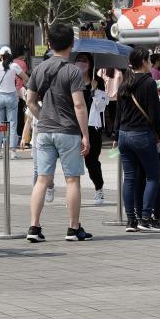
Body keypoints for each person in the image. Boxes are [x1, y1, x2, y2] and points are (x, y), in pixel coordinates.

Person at [25, 23, 92, 243]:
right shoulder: (73, 71)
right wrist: (85, 135)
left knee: (42, 180)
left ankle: (34, 227)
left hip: (44, 131)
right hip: (68, 131)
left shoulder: (39, 68)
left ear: (49, 44)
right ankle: (73, 229)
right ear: (72, 44)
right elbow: (79, 105)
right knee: (72, 180)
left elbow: (30, 101)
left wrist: (43, 116)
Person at [118, 47, 160, 232]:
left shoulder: (125, 82)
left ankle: (131, 220)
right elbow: (155, 113)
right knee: (153, 176)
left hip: (124, 134)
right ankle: (146, 218)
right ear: (145, 62)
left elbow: (118, 112)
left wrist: (116, 134)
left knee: (129, 178)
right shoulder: (148, 83)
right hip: (142, 135)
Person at [74, 52, 108, 205]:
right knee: (73, 162)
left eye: (84, 61)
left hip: (92, 127)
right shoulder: (72, 80)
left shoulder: (98, 81)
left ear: (90, 64)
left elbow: (102, 106)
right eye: (78, 60)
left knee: (91, 161)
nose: (81, 63)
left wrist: (95, 90)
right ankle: (73, 194)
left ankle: (98, 188)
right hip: (74, 126)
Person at [0, 46, 28, 159]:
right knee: (13, 124)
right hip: (12, 96)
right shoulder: (14, 66)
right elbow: (27, 78)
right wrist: (19, 84)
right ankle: (13, 152)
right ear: (10, 55)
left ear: (0, 56)